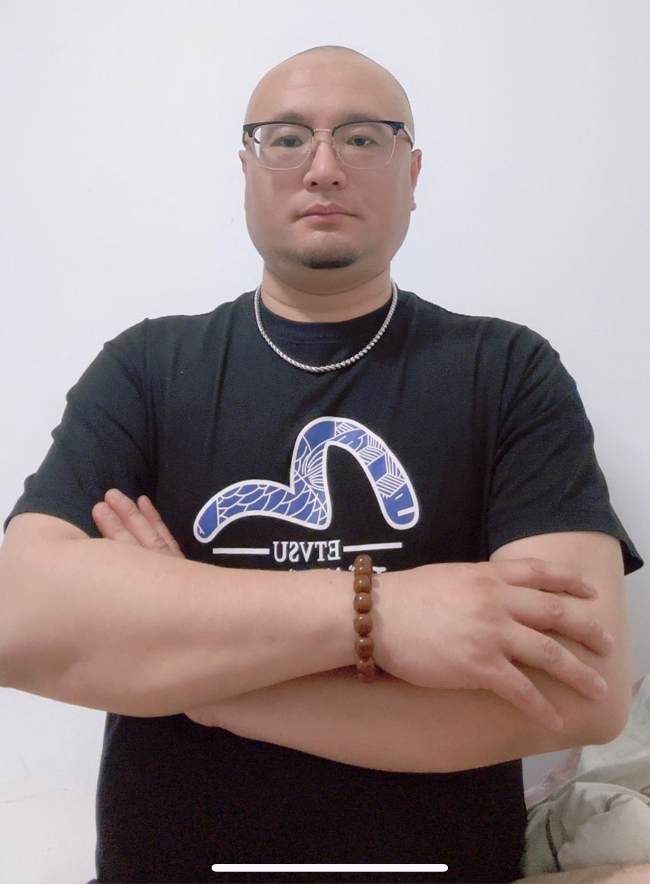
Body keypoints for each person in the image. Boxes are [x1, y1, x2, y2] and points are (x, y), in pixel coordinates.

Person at [0, 45, 643, 884]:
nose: (324, 166)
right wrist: (382, 613)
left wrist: (204, 684)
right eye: (286, 138)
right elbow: (20, 621)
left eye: (364, 137)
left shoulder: (508, 371)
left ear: (413, 173)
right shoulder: (147, 369)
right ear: (246, 169)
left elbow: (580, 691)